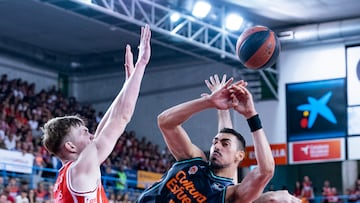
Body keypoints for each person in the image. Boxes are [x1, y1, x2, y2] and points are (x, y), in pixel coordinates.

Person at [137, 74, 300, 203]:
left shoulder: (230, 195)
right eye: (214, 142)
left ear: (240, 156)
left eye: (225, 144)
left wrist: (251, 115)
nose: (217, 146)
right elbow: (165, 122)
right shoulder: (194, 160)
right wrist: (209, 102)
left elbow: (266, 170)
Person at [41, 24, 151, 203]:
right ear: (71, 146)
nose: (92, 135)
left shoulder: (67, 175)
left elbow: (102, 130)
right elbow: (121, 117)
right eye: (85, 132)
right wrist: (142, 64)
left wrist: (127, 86)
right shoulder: (80, 168)